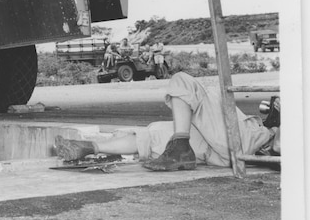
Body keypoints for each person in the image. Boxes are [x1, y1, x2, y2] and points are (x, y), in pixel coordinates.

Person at [54, 72, 279, 170]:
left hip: (251, 140)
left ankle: (181, 145)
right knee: (156, 134)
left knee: (184, 82)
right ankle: (88, 148)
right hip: (223, 155)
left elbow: (281, 146)